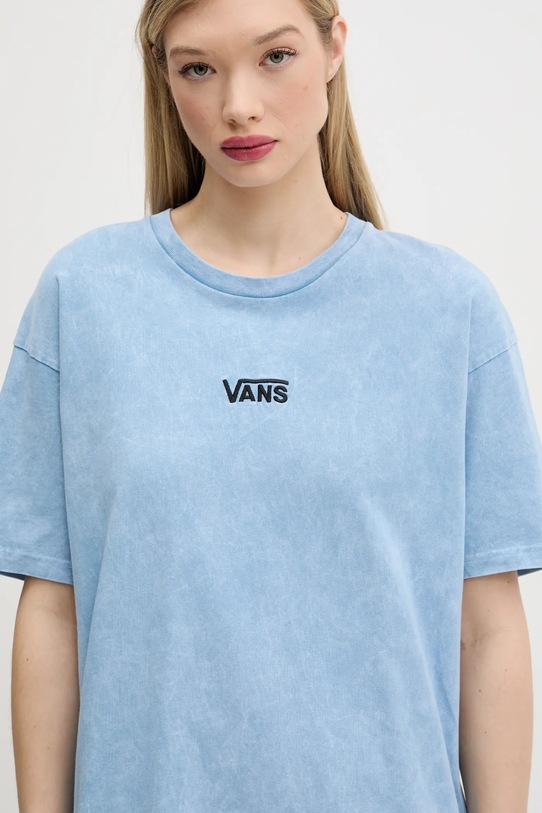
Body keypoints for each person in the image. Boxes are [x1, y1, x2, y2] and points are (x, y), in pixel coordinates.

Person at [0, 0, 541, 811]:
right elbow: (53, 608)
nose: (238, 105)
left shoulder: (448, 309)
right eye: (198, 68)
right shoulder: (83, 298)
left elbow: (486, 628)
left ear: (333, 47)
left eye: (275, 56)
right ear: (165, 76)